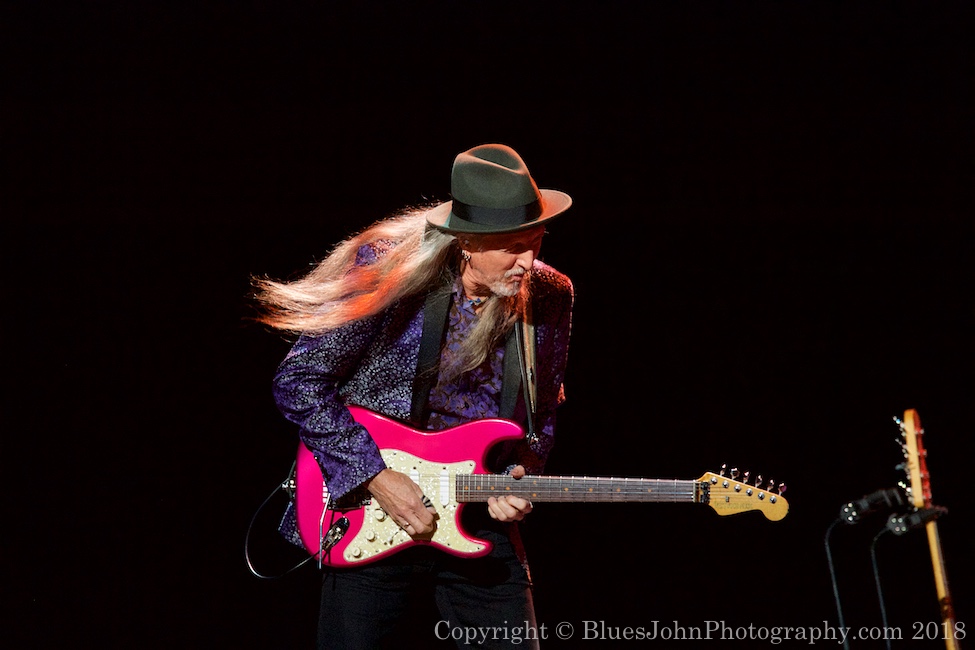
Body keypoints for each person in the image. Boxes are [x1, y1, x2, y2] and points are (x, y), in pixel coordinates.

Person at [251, 143, 574, 649]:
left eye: (535, 241)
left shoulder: (551, 294)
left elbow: (544, 413)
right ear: (466, 241)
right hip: (372, 506)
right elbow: (300, 381)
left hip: (474, 513)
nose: (528, 261)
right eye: (512, 247)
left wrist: (520, 477)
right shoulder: (392, 273)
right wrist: (375, 476)